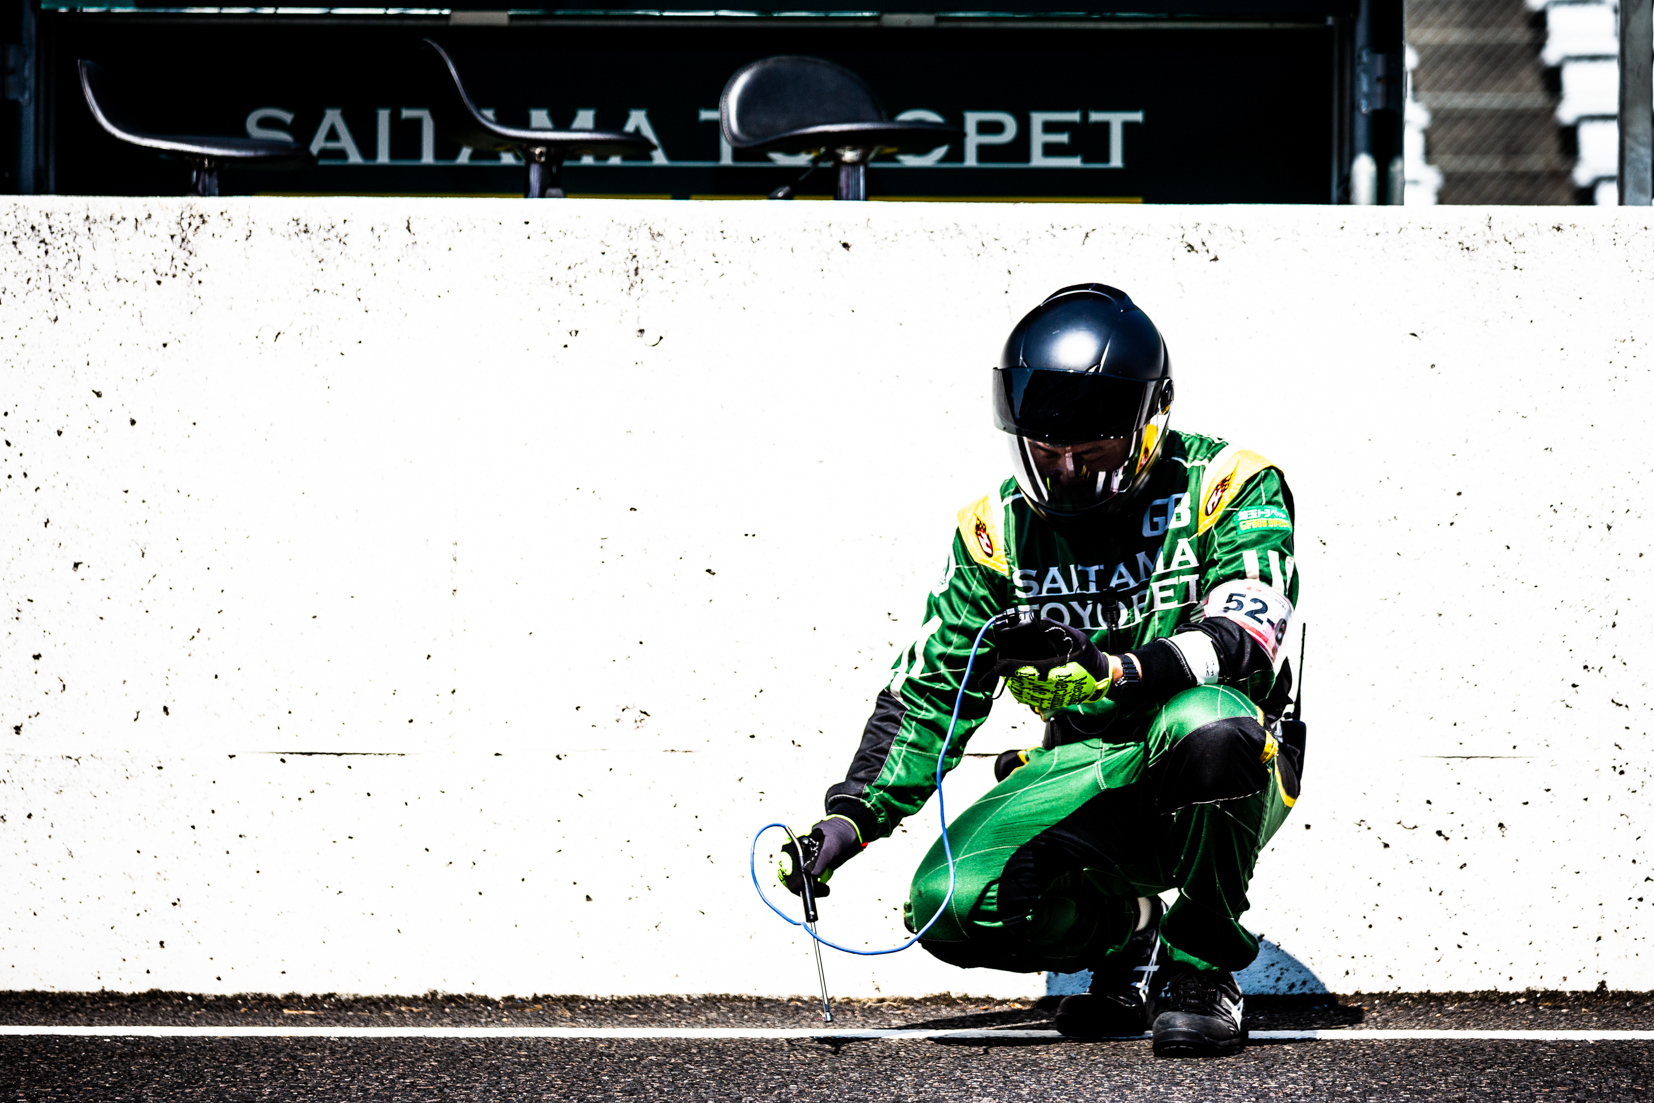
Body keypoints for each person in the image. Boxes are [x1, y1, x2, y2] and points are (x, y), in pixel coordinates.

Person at [779, 284, 1303, 1057]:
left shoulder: (1232, 484)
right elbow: (930, 687)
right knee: (948, 906)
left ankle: (1200, 971)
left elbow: (1248, 632)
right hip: (1078, 769)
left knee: (1211, 723)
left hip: (1223, 760)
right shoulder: (994, 531)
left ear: (1148, 423)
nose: (1065, 469)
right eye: (1045, 447)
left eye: (1091, 450)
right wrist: (852, 816)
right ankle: (1132, 929)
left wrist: (1123, 671)